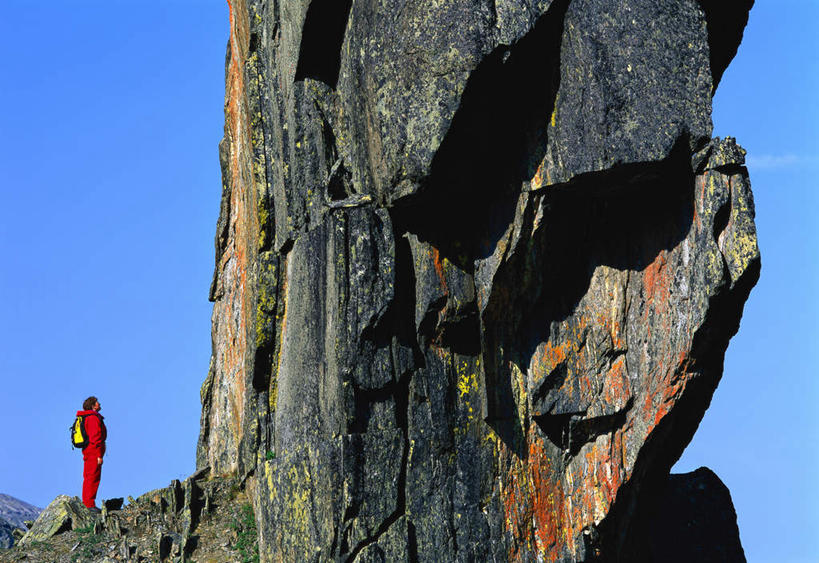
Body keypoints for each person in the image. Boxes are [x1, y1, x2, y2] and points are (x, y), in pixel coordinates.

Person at [77, 396, 107, 512]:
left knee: (89, 476)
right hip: (93, 451)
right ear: (93, 405)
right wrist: (99, 455)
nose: (99, 404)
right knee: (92, 477)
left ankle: (88, 502)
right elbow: (95, 437)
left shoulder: (88, 417)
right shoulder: (93, 418)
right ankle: (89, 504)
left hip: (89, 450)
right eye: (97, 402)